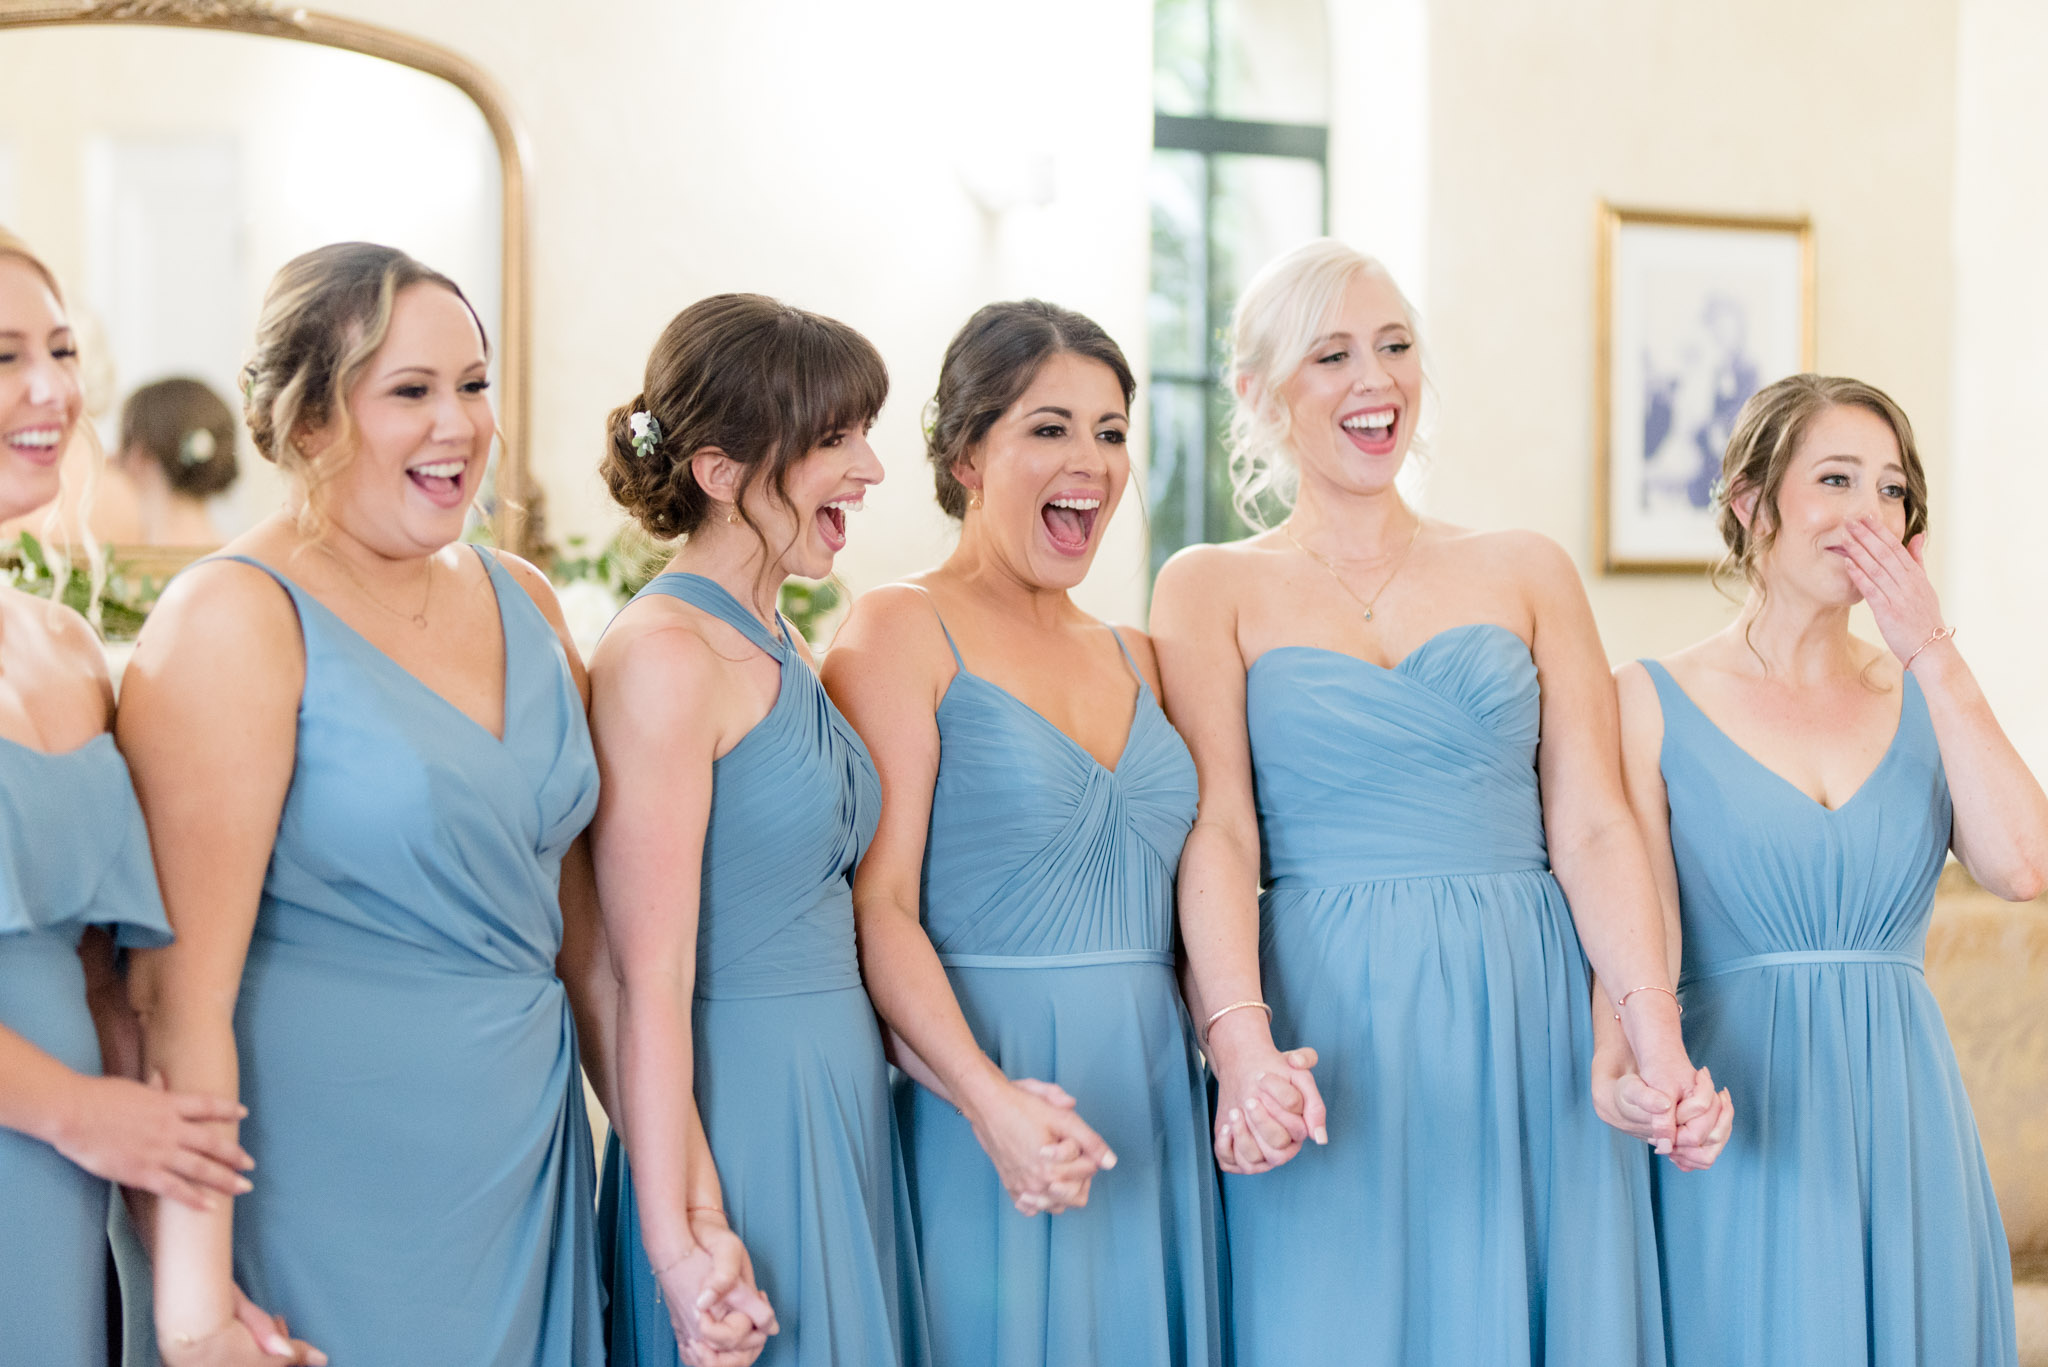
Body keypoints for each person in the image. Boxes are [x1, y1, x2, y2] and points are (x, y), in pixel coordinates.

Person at [1148, 237, 1730, 1367]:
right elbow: (1216, 830)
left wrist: (1651, 1039)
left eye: (1395, 345)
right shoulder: (1207, 584)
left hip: (1527, 1005)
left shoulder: (1525, 567)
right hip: (1324, 1010)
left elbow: (1595, 823)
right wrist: (1240, 1046)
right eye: (1332, 355)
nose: (1376, 381)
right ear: (1261, 393)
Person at [121, 242, 613, 1365]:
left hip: (523, 1161)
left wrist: (676, 1192)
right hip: (329, 1188)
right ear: (307, 423)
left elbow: (592, 948)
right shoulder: (233, 619)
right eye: (410, 391)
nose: (459, 424)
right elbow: (170, 998)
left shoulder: (523, 595)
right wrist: (195, 1304)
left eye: (473, 384)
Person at [1612, 374, 2044, 1366]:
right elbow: (1631, 940)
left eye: (1891, 490)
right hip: (1732, 1119)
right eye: (1835, 478)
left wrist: (1930, 652)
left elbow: (2022, 867)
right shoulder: (1642, 699)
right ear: (1750, 504)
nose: (1867, 512)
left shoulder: (1925, 690)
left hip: (1905, 1128)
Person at [822, 300, 1222, 1367]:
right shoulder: (898, 630)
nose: (1087, 459)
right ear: (965, 453)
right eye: (1047, 427)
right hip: (985, 1093)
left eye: (1108, 429)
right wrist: (985, 1097)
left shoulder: (1138, 651)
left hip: (1150, 1097)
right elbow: (878, 905)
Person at [590, 293, 924, 1367]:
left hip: (837, 1095)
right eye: (833, 439)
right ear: (720, 470)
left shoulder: (777, 634)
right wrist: (678, 1234)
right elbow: (643, 980)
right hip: (740, 1107)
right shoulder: (665, 657)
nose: (869, 469)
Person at [0, 225, 251, 1367]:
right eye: (2, 357)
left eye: (58, 347)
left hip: (66, 1191)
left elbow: (114, 991)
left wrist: (196, 1297)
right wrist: (70, 1110)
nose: (48, 388)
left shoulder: (63, 650)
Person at [114, 377, 240, 545]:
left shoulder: (120, 561)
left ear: (140, 453)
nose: (112, 458)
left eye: (122, 444)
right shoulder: (238, 556)